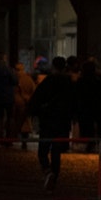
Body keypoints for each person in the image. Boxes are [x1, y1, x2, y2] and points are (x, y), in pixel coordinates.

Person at [27, 56, 76, 191]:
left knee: (43, 151)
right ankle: (54, 176)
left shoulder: (48, 82)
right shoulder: (69, 83)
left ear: (53, 67)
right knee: (56, 150)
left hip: (48, 120)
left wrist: (35, 112)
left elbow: (37, 99)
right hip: (62, 121)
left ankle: (48, 171)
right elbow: (73, 102)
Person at [73, 57, 101, 151]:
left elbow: (77, 95)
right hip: (98, 106)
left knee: (88, 127)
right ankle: (100, 143)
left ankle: (91, 143)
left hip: (86, 108)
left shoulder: (81, 81)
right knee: (99, 125)